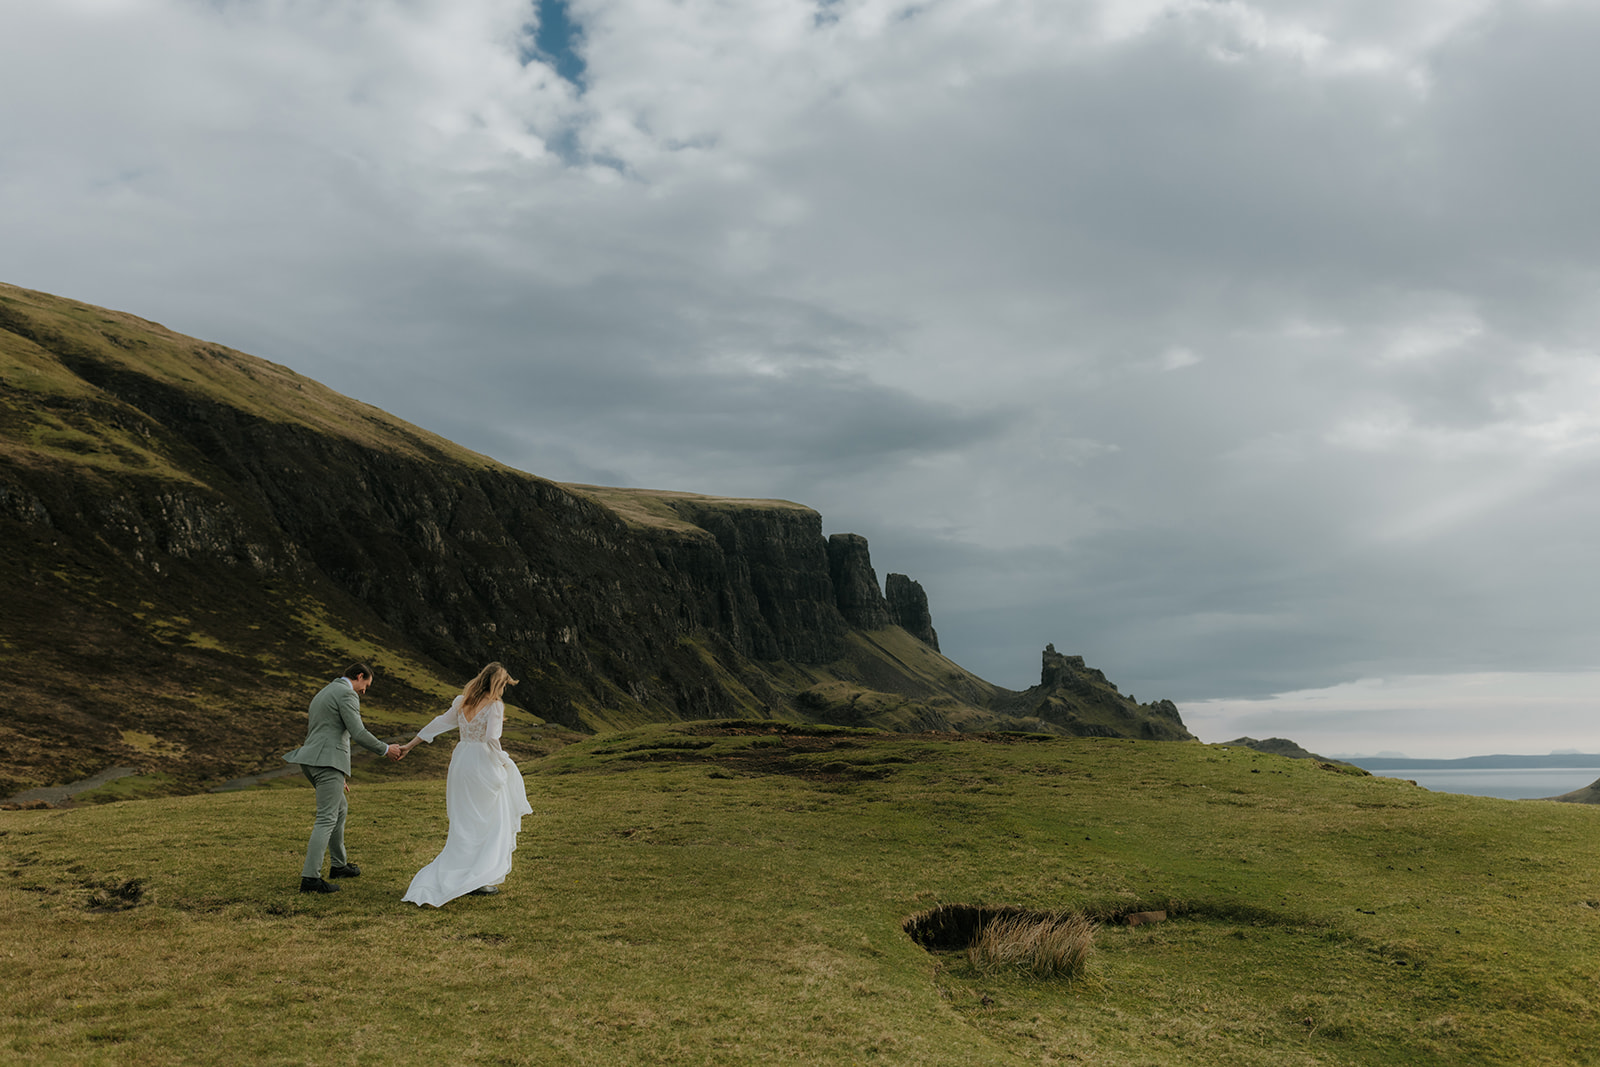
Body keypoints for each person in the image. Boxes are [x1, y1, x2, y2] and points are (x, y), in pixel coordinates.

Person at [400, 662, 533, 907]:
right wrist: (503, 758)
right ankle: (479, 876)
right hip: (482, 762)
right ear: (498, 684)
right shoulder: (494, 705)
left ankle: (466, 871)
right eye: (504, 685)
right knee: (491, 819)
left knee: (466, 820)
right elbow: (492, 737)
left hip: (461, 762)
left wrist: (410, 745)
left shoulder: (462, 701)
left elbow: (438, 723)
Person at [285, 663, 404, 893]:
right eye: (365, 685)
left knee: (340, 809)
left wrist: (338, 772)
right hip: (326, 762)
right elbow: (358, 732)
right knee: (326, 818)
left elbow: (323, 730)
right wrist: (385, 749)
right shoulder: (346, 694)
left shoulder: (324, 692)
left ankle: (339, 865)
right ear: (359, 676)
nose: (364, 691)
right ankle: (310, 879)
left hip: (314, 760)